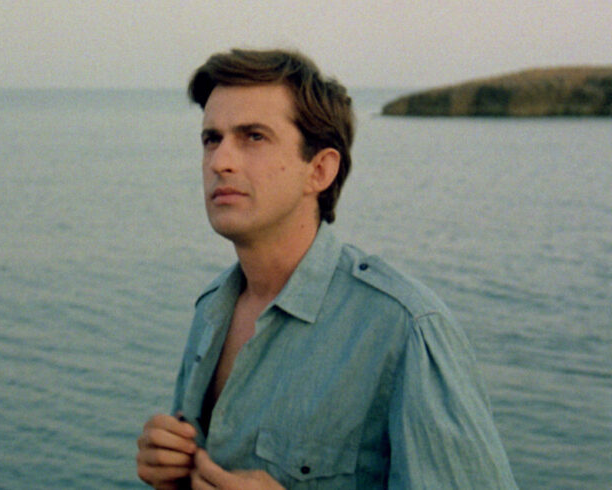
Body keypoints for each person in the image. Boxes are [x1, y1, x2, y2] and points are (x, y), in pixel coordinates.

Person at [137, 48, 517, 489]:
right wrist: (168, 469)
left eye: (253, 137)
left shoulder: (404, 329)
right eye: (211, 139)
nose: (221, 161)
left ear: (319, 170)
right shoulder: (211, 308)